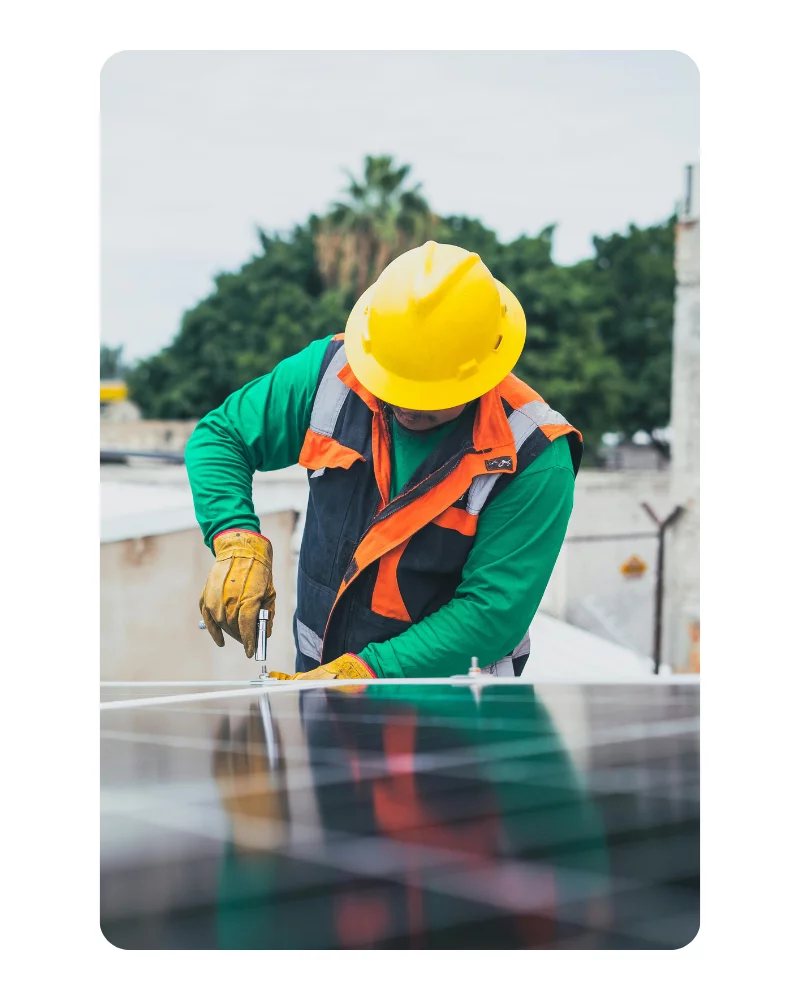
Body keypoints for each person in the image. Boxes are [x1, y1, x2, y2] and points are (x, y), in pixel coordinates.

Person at [186, 241, 582, 680]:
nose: (407, 407)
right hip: (319, 696)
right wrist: (235, 539)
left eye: (429, 395)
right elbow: (223, 435)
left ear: (480, 373)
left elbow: (491, 614)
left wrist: (364, 672)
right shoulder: (332, 374)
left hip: (450, 720)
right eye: (395, 386)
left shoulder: (535, 455)